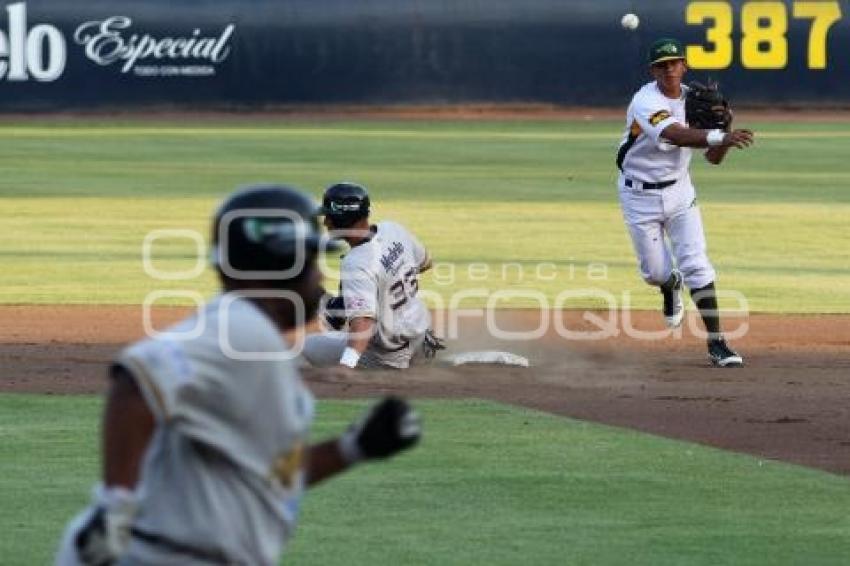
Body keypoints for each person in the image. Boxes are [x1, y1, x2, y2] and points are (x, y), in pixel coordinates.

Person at [55, 184, 422, 565]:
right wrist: (117, 505)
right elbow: (139, 377)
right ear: (284, 268)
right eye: (311, 263)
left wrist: (352, 448)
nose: (319, 279)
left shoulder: (257, 342)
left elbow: (268, 473)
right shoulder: (239, 326)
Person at [616, 38, 754, 367]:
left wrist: (726, 129)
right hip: (639, 194)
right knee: (654, 273)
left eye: (674, 63)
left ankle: (717, 343)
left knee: (696, 263)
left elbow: (713, 158)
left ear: (684, 66)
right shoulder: (645, 101)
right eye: (662, 65)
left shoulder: (695, 99)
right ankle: (669, 283)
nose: (669, 70)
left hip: (680, 192)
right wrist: (719, 135)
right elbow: (675, 135)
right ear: (653, 70)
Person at [301, 182, 443, 370]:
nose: (325, 222)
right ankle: (419, 346)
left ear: (343, 218)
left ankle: (381, 363)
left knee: (304, 346)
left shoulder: (357, 262)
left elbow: (364, 323)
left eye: (329, 216)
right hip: (419, 334)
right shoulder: (394, 229)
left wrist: (346, 366)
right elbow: (426, 262)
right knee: (336, 306)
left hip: (386, 356)